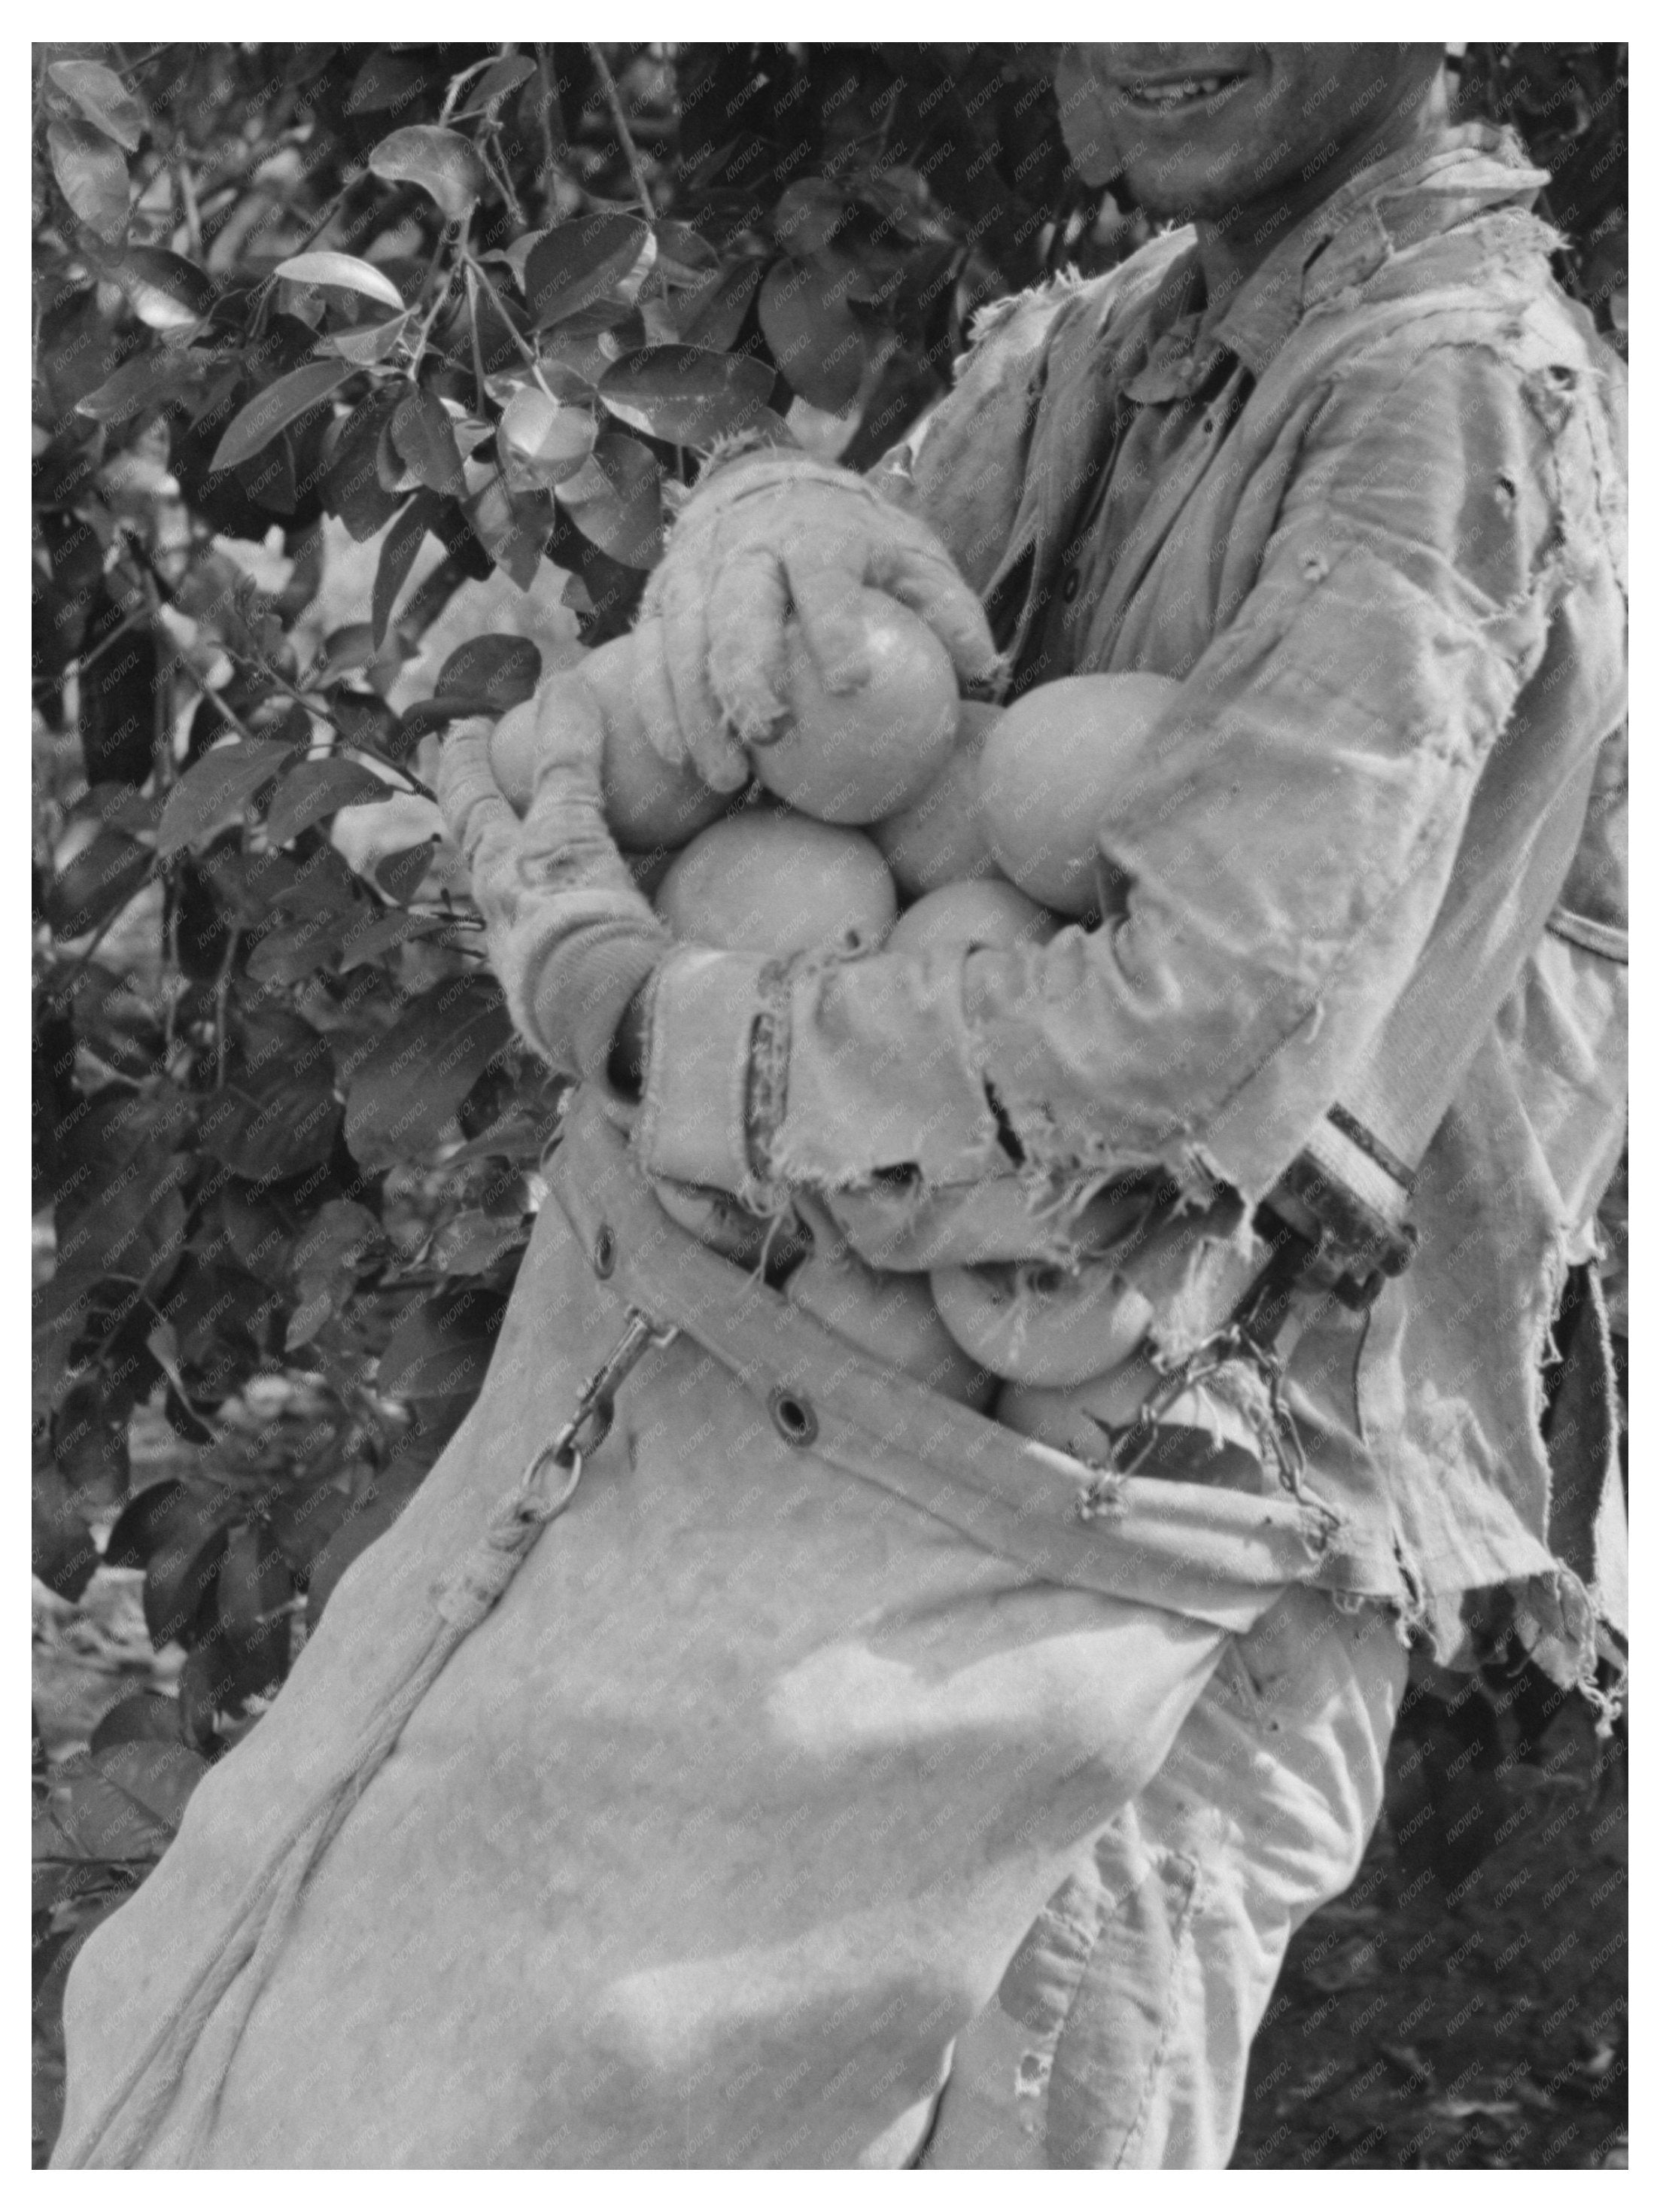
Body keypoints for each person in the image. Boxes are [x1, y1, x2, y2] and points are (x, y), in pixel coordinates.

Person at [56, 44, 1625, 2169]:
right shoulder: (1132, 336)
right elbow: (814, 706)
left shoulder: (1443, 404)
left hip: (1145, 1553)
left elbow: (1181, 1035)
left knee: (1019, 2113)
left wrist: (653, 1026)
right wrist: (763, 526)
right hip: (907, 1448)